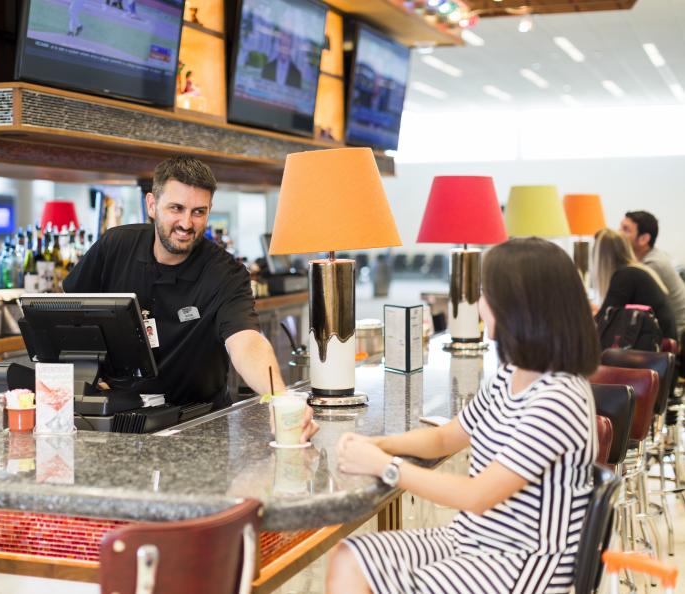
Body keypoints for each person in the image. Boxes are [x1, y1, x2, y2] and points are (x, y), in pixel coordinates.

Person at [326, 237, 599, 594]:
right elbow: (446, 437)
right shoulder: (510, 374)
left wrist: (384, 466)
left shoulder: (559, 398)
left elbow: (477, 496)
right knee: (350, 555)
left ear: (518, 308)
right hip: (473, 538)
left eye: (487, 294)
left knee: (380, 580)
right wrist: (378, 444)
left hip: (523, 563)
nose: (481, 303)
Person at [63, 157, 314, 436]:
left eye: (198, 212)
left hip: (199, 422)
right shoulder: (115, 246)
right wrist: (89, 375)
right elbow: (69, 315)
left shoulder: (225, 273)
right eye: (176, 208)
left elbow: (246, 342)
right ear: (151, 205)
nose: (186, 223)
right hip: (117, 419)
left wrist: (278, 395)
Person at [593, 228, 677, 340]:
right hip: (663, 346)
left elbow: (603, 321)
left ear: (600, 257)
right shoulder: (636, 271)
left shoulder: (625, 276)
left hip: (656, 349)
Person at [619, 210, 685, 336]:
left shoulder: (652, 265)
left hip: (677, 335)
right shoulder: (646, 259)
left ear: (644, 239)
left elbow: (628, 308)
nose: (619, 233)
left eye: (625, 229)